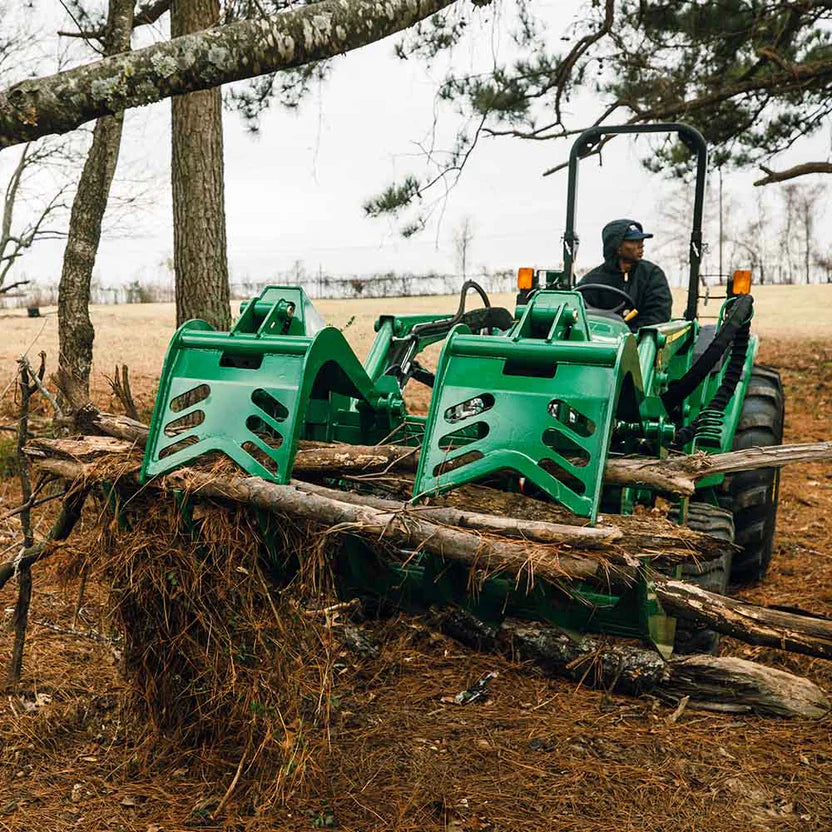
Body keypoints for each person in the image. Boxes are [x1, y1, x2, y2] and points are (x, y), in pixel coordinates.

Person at [576, 218, 672, 329]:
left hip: (640, 340)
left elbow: (659, 313)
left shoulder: (652, 274)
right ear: (617, 247)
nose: (641, 245)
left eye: (641, 240)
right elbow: (579, 312)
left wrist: (632, 334)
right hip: (599, 339)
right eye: (633, 241)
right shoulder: (591, 281)